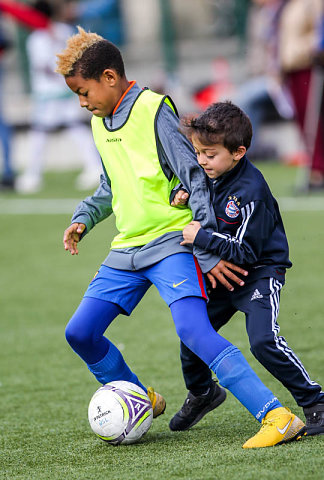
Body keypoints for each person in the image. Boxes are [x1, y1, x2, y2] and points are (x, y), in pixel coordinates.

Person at [56, 27, 306, 449]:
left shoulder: (154, 111)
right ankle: (139, 397)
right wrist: (84, 218)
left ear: (110, 77)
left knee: (193, 330)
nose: (82, 103)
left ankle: (276, 416)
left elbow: (196, 178)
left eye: (84, 92)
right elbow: (110, 185)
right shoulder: (100, 121)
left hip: (173, 241)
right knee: (79, 333)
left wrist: (206, 249)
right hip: (127, 247)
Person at [170, 101, 324, 438]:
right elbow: (190, 184)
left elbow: (247, 251)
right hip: (223, 275)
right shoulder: (208, 174)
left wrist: (201, 237)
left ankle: (316, 402)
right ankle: (203, 393)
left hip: (259, 272)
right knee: (194, 332)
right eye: (198, 152)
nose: (201, 161)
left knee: (263, 341)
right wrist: (179, 191)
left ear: (238, 152)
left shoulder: (250, 190)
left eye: (210, 154)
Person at [16, 1, 101, 194]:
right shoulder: (64, 31)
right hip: (66, 89)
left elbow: (44, 66)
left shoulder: (37, 38)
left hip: (47, 93)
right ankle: (93, 166)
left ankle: (32, 176)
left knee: (40, 133)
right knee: (75, 128)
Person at [278, 0, 324, 190]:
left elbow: (319, 31)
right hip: (293, 68)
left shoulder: (314, 3)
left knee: (314, 118)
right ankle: (314, 167)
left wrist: (310, 49)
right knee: (304, 120)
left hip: (309, 65)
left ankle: (319, 170)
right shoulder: (290, 5)